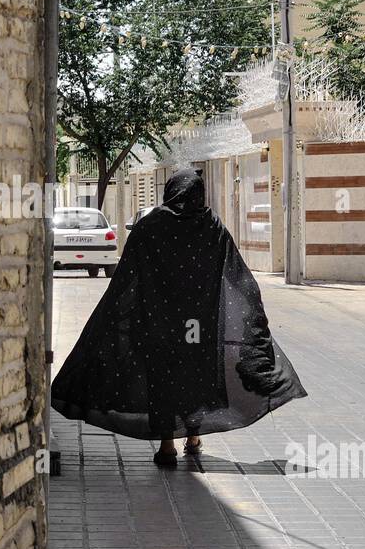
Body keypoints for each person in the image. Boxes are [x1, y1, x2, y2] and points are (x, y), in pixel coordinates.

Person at [51, 167, 306, 468]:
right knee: (194, 377)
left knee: (163, 379)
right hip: (198, 325)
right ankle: (193, 437)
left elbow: (128, 275)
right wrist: (250, 318)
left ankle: (167, 444)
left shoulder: (151, 226)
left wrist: (116, 318)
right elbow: (235, 275)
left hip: (158, 323)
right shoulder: (212, 226)